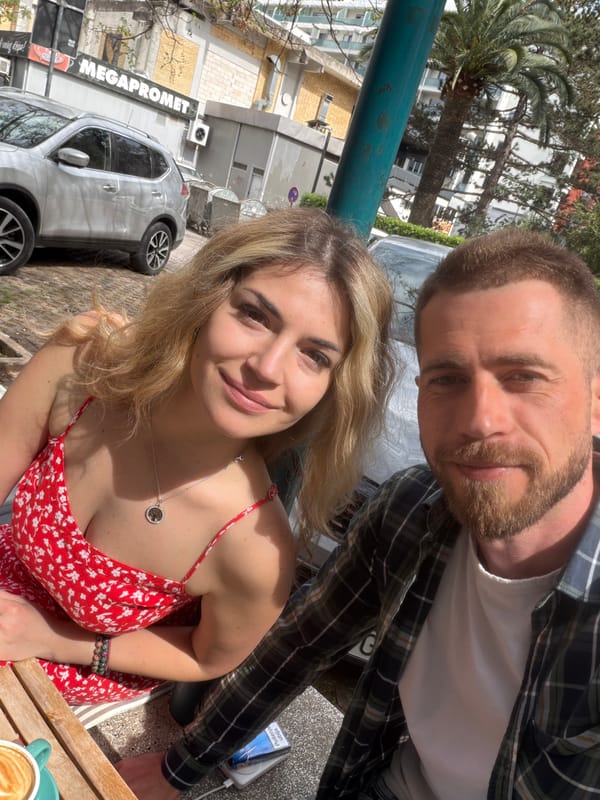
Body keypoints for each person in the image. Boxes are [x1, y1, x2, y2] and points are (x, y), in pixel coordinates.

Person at [118, 227, 600, 800]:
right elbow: (298, 644)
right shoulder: (409, 511)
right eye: (447, 379)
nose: (480, 419)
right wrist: (180, 768)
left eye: (524, 378)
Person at [0, 207, 394, 705]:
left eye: (315, 356)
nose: (267, 368)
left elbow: (208, 657)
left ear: (334, 388)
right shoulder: (84, 367)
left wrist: (51, 638)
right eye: (255, 315)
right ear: (205, 300)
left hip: (58, 700)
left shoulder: (256, 548)